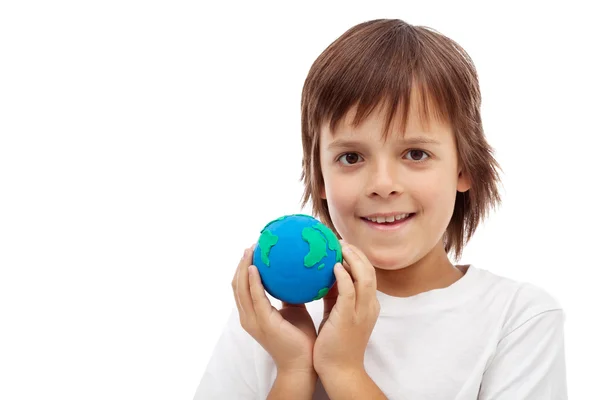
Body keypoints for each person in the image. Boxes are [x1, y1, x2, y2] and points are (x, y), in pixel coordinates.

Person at [193, 18, 567, 399]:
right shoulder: (265, 324)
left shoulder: (518, 318)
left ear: (464, 167)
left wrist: (342, 370)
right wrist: (293, 370)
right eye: (352, 156)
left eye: (416, 153)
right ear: (319, 176)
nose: (383, 184)